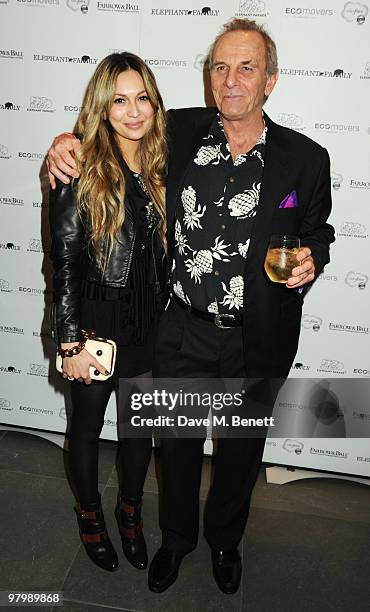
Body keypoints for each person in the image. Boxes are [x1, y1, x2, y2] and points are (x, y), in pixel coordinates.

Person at [47, 18, 335, 595]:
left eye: (246, 67)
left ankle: (225, 540)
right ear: (208, 78)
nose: (230, 80)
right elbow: (113, 134)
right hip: (180, 330)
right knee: (173, 447)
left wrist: (312, 259)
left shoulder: (306, 159)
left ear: (271, 80)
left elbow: (317, 231)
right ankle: (176, 539)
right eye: (220, 67)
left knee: (239, 449)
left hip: (259, 334)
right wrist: (64, 143)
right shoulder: (177, 133)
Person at [49, 52, 167, 574]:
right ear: (102, 106)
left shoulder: (165, 162)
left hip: (147, 324)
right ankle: (91, 515)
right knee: (87, 428)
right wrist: (70, 341)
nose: (133, 110)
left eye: (142, 97)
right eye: (120, 100)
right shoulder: (78, 167)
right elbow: (66, 262)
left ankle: (131, 513)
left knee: (139, 432)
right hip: (95, 323)